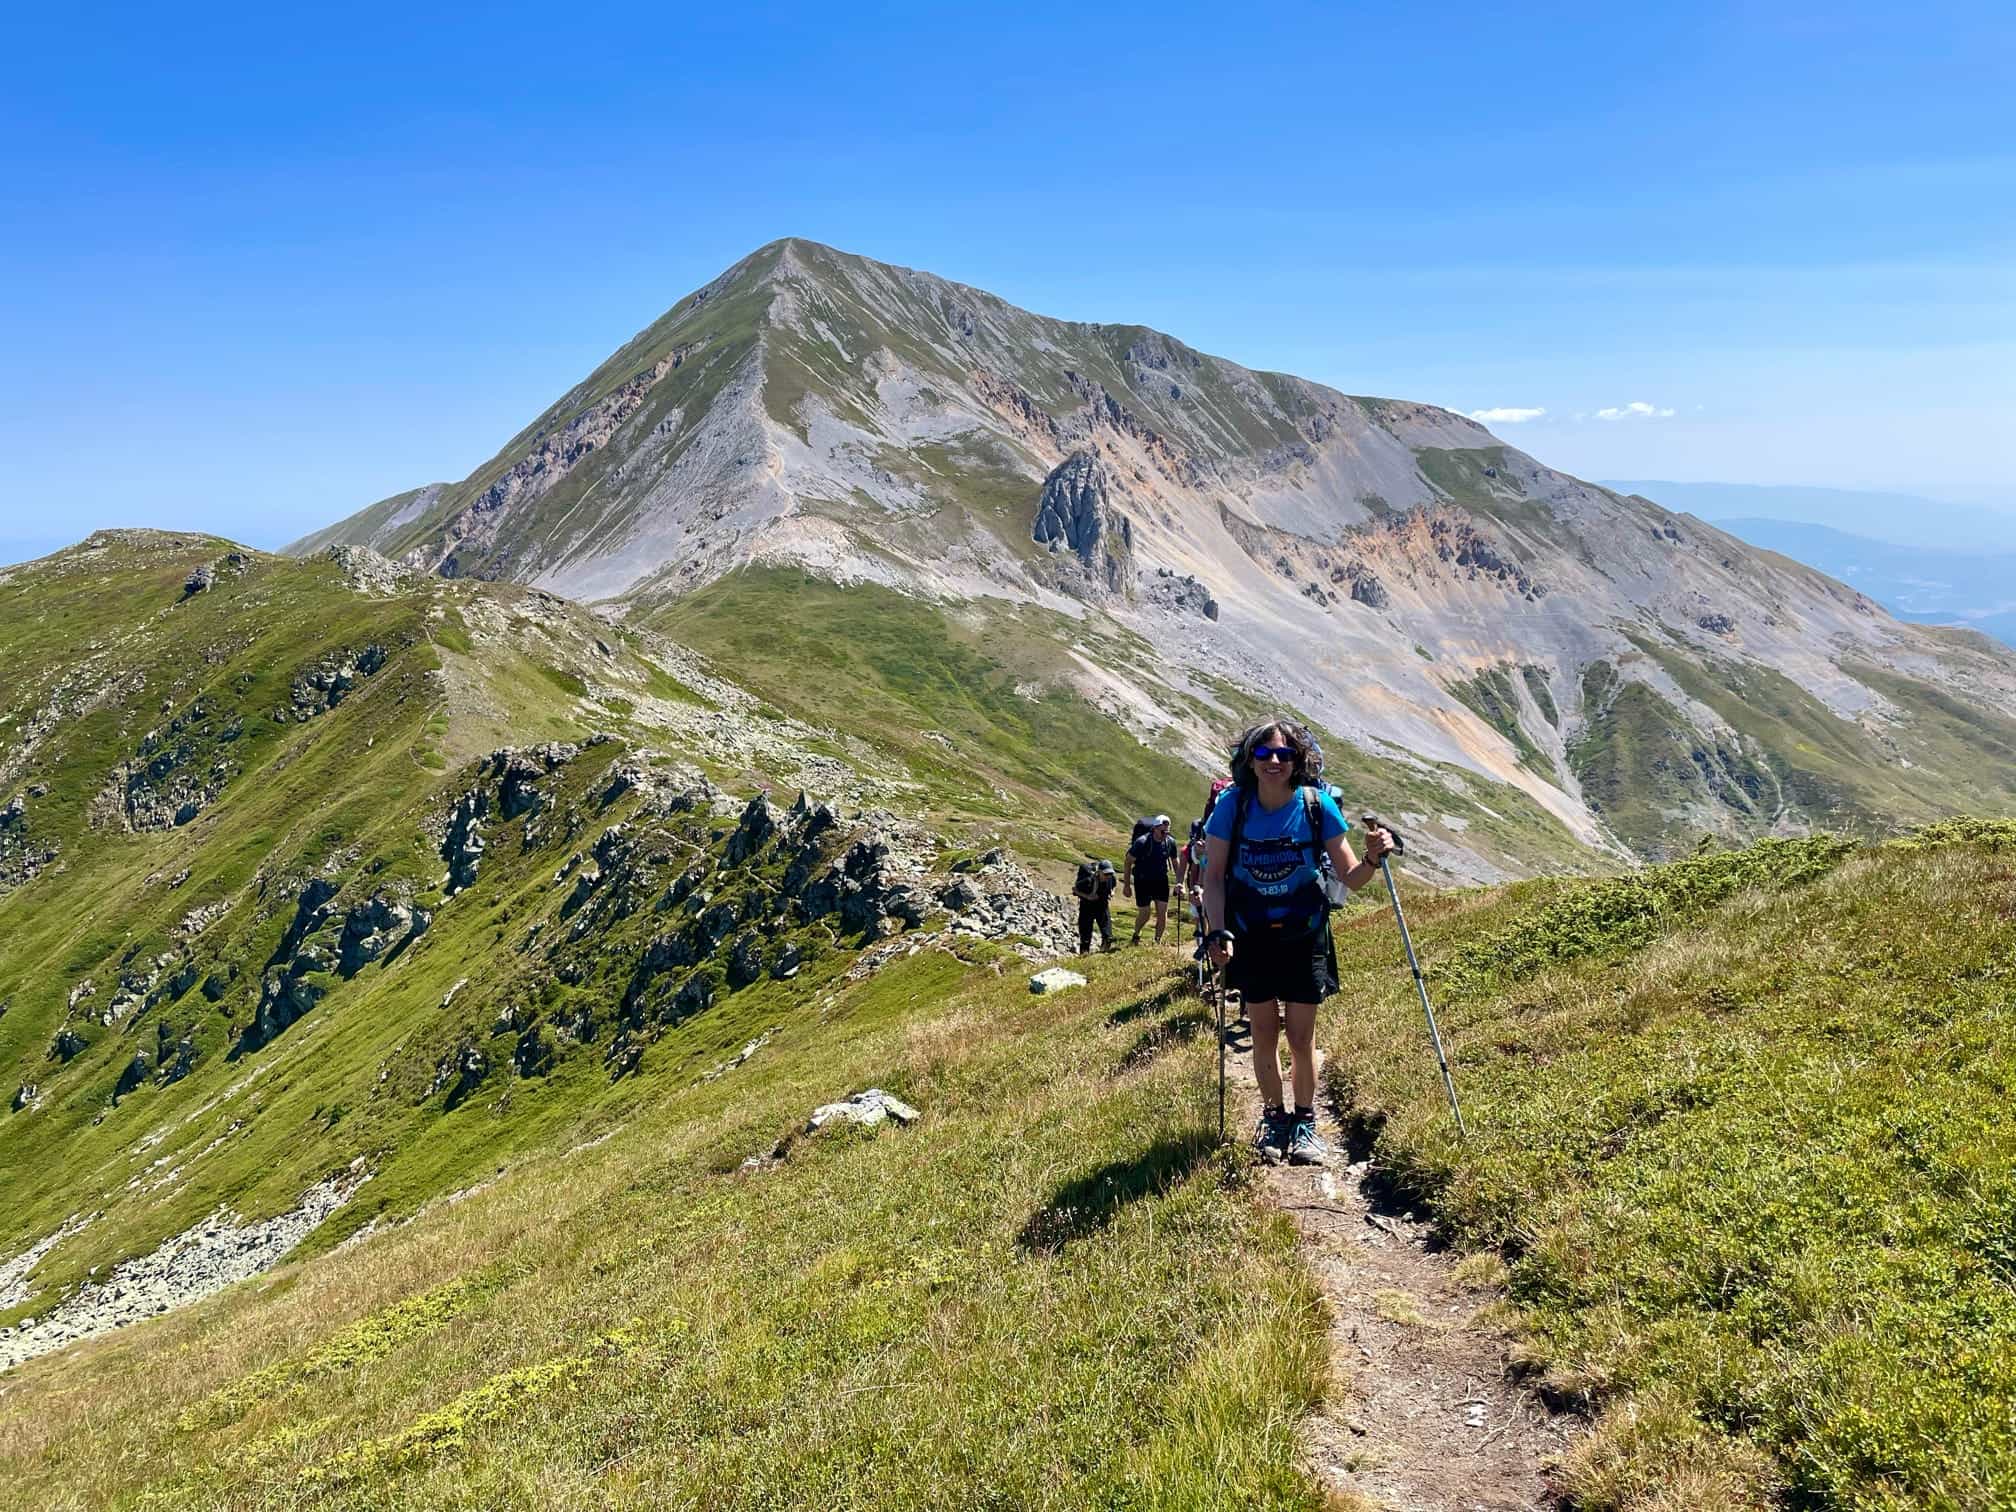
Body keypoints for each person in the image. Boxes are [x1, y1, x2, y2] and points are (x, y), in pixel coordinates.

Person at [1200, 719, 1394, 1166]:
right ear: (1249, 760)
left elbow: (1350, 878)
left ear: (1297, 761)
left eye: (1284, 755)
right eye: (1264, 754)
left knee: (1301, 1038)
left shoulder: (1317, 804)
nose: (1273, 761)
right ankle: (1274, 1117)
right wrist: (1216, 929)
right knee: (1264, 1032)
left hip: (1304, 934)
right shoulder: (1233, 805)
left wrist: (1371, 856)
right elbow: (1213, 877)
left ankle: (1304, 1121)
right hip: (1249, 935)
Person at [1123, 814, 1178, 945]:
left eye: (1167, 831)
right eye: (1162, 831)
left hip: (1161, 880)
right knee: (1145, 913)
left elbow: (1175, 861)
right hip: (1143, 881)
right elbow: (1128, 861)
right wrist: (1126, 885)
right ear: (1154, 828)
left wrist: (1180, 881)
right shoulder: (1142, 842)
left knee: (1162, 914)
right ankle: (1136, 934)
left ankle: (1157, 942)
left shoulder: (1170, 842)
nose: (1165, 834)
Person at [1072, 859, 1118, 953]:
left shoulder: (1111, 878)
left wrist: (1112, 892)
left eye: (1109, 874)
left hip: (1102, 905)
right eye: (1105, 874)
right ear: (1099, 872)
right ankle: (1084, 956)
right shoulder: (1088, 880)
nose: (1107, 876)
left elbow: (1114, 885)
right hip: (1087, 907)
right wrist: (1088, 897)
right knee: (1085, 935)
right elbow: (1075, 890)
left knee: (1107, 934)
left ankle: (1104, 951)